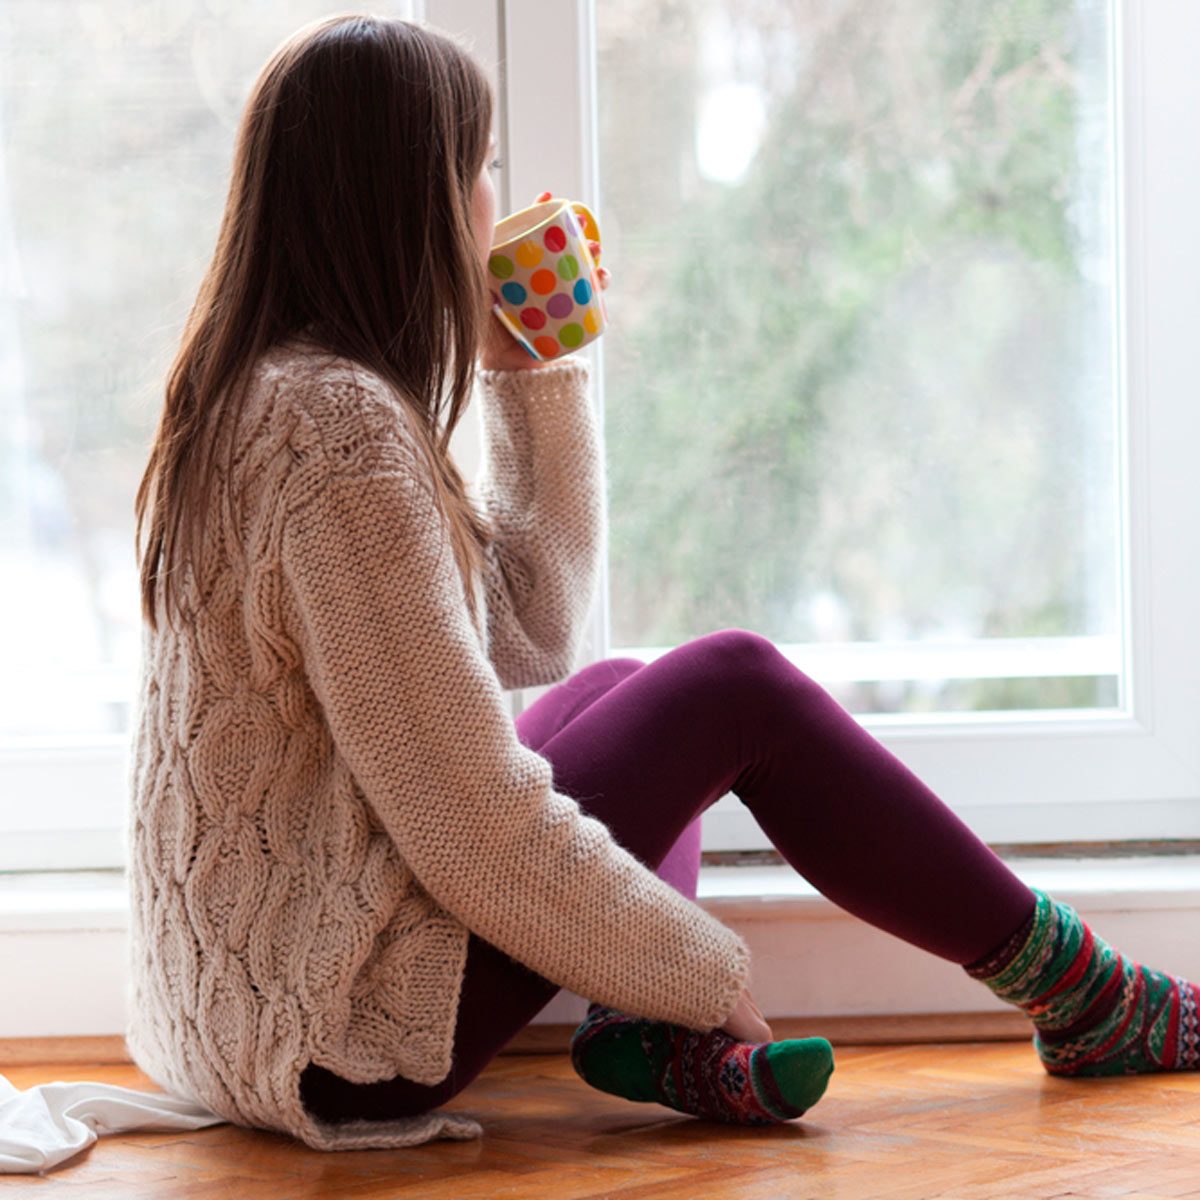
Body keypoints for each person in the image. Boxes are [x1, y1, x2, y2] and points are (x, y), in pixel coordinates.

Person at [126, 12, 1200, 1155]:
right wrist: (703, 971)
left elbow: (533, 630)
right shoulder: (336, 428)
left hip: (243, 1010)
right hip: (330, 1041)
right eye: (480, 168)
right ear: (413, 195)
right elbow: (468, 823)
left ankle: (641, 1032)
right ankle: (1087, 994)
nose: (494, 198)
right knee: (733, 683)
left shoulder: (267, 395)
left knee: (625, 687)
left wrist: (535, 371)